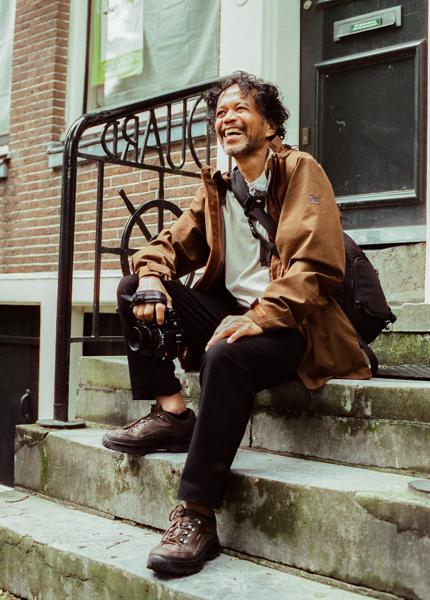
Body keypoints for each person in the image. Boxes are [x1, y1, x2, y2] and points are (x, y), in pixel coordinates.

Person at [102, 72, 371, 576]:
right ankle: (174, 414)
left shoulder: (300, 170)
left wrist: (259, 316)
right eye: (220, 112)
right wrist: (153, 276)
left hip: (294, 326)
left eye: (240, 108)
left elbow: (316, 267)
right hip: (238, 315)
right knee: (134, 287)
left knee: (223, 354)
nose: (227, 117)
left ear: (269, 124)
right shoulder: (219, 188)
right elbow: (167, 245)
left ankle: (196, 513)